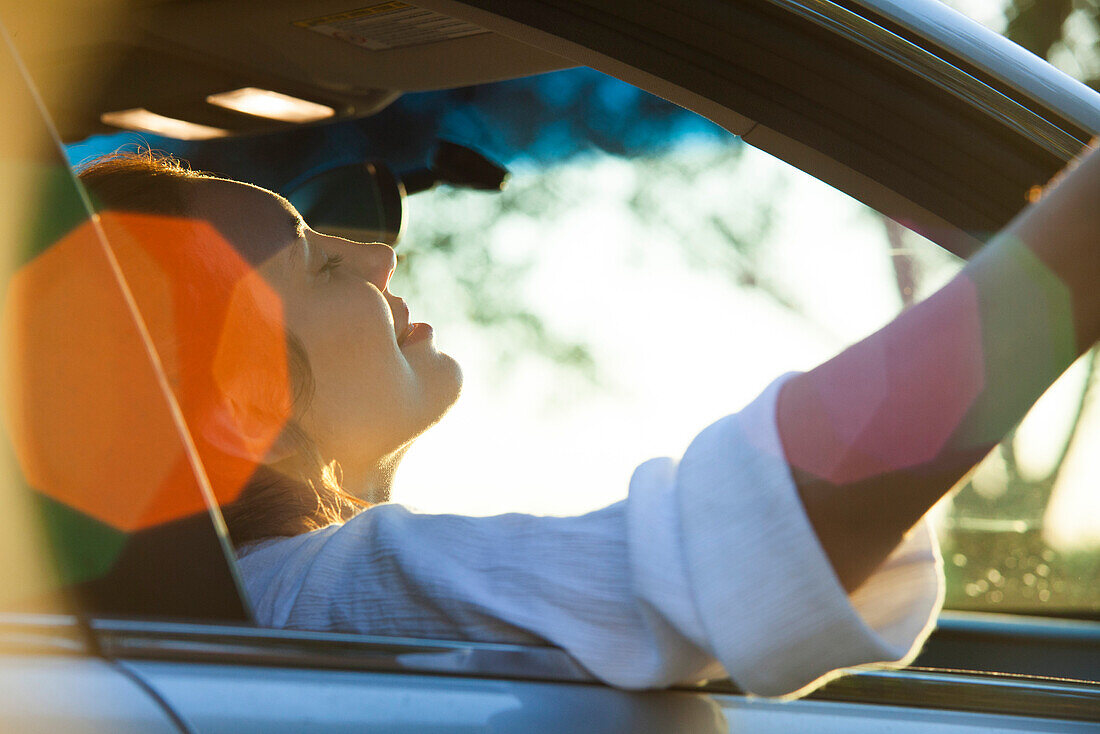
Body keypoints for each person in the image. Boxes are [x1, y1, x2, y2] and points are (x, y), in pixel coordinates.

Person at [57, 143, 1100, 698]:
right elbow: (748, 538)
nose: (382, 257)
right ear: (241, 397)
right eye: (324, 263)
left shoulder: (245, 600)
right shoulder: (313, 599)